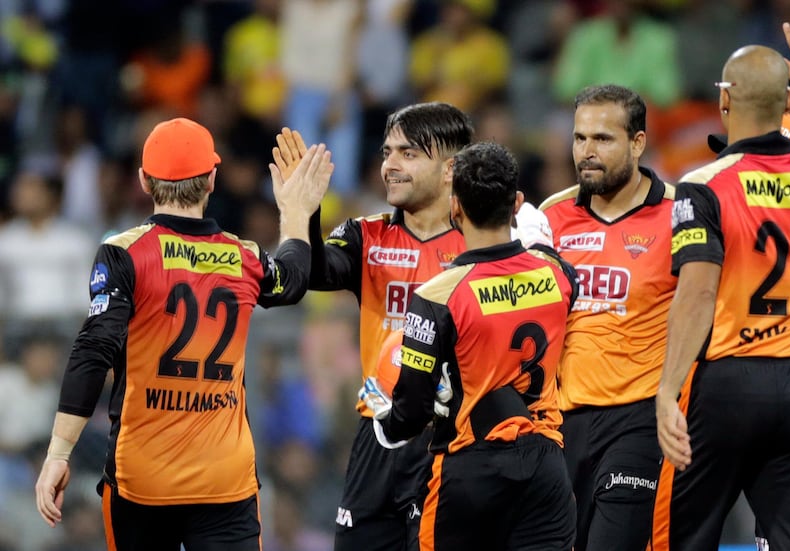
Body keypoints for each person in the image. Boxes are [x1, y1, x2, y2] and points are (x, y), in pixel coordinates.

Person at [34, 116, 333, 550]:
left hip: (142, 479)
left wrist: (59, 453)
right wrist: (296, 212)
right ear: (212, 180)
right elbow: (292, 279)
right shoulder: (244, 256)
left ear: (143, 180)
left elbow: (94, 348)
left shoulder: (124, 254)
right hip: (225, 480)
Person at [274, 102, 472, 551]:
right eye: (387, 152)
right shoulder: (367, 234)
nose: (390, 166)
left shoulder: (481, 242)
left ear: (449, 168)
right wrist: (305, 212)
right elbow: (318, 273)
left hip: (450, 440)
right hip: (378, 437)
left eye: (408, 153)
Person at [363, 141, 577, 551]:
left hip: (472, 470)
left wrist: (383, 420)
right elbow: (562, 269)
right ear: (516, 204)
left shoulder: (436, 296)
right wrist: (538, 244)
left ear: (454, 207)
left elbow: (411, 413)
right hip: (545, 468)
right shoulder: (557, 277)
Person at [653, 45, 790, 551]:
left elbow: (696, 293)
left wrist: (668, 390)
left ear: (724, 102)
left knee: (682, 537)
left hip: (729, 382)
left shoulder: (703, 185)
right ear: (787, 101)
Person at [539, 84, 676, 551]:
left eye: (603, 139)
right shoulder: (549, 218)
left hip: (638, 420)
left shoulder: (681, 214)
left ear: (638, 142)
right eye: (579, 139)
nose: (586, 153)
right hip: (558, 425)